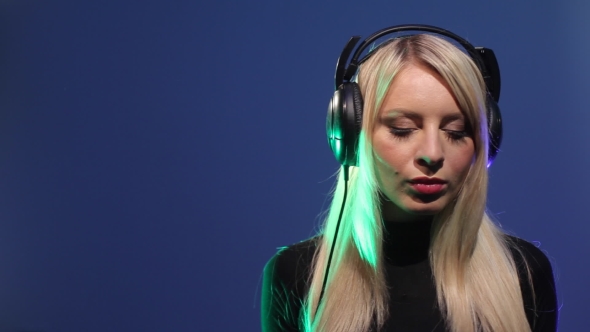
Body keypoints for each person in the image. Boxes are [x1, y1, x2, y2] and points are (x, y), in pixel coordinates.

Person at [261, 25, 558, 332]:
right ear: (351, 134)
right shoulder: (296, 274)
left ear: (485, 142)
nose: (432, 153)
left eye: (456, 132)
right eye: (403, 129)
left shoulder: (524, 273)